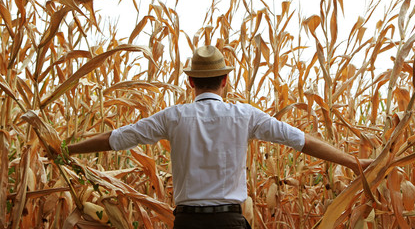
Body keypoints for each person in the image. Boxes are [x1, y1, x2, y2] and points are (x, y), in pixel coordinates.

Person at [67, 45, 373, 229]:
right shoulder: (245, 115)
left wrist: (67, 149)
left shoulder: (173, 117)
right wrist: (353, 162)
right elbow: (302, 141)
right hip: (230, 223)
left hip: (187, 223)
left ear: (190, 82)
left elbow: (114, 139)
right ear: (225, 80)